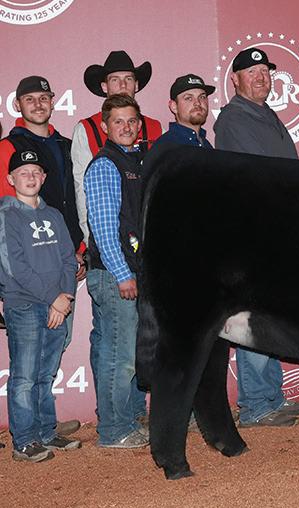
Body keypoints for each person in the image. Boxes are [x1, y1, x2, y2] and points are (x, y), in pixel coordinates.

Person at [214, 47, 299, 427]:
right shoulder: (234, 119)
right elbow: (259, 178)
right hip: (254, 235)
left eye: (265, 72)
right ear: (235, 79)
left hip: (275, 233)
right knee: (254, 316)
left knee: (268, 316)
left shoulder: (265, 114)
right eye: (251, 72)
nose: (261, 77)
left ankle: (271, 395)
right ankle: (256, 403)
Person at [0, 76, 84, 436]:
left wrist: (76, 261)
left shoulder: (64, 145)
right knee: (26, 367)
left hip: (60, 275)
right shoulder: (8, 148)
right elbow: (11, 256)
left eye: (44, 97)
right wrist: (54, 296)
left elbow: (75, 200)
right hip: (26, 286)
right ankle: (27, 434)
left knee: (50, 358)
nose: (38, 104)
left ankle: (44, 427)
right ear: (18, 104)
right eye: (29, 98)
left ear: (53, 101)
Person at [84, 94, 149, 447]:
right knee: (119, 354)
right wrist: (123, 274)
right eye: (118, 121)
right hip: (114, 273)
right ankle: (114, 429)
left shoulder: (134, 160)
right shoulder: (106, 165)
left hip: (127, 270)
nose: (126, 127)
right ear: (105, 127)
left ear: (139, 124)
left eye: (131, 120)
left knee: (126, 351)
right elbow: (104, 227)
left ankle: (128, 418)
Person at [72, 50, 162, 246]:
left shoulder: (155, 127)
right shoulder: (86, 128)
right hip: (111, 236)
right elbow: (81, 190)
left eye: (128, 79)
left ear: (136, 85)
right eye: (115, 80)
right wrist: (89, 238)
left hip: (150, 234)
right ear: (104, 86)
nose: (122, 85)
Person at [154, 74, 215, 148]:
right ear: (174, 106)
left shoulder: (206, 145)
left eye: (202, 97)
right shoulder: (166, 147)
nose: (198, 103)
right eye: (189, 98)